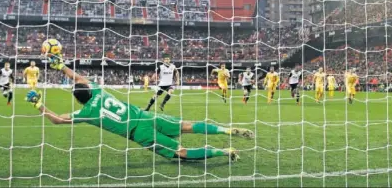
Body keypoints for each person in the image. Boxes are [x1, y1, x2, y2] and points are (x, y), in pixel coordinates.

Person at [26, 55, 254, 162]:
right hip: (145, 116)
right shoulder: (98, 90)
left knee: (181, 153)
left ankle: (224, 151)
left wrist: (39, 105)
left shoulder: (86, 112)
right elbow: (80, 77)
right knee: (187, 126)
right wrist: (62, 66)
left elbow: (57, 119)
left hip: (139, 133)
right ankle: (225, 130)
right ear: (88, 88)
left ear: (78, 100)